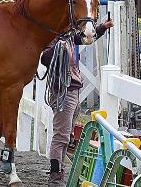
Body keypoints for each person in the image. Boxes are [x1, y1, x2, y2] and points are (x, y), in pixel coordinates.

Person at [41, 18, 114, 187]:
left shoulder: (67, 37)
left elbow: (87, 38)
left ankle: (59, 173)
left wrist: (102, 27)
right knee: (61, 136)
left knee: (66, 136)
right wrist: (59, 44)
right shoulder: (55, 38)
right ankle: (55, 178)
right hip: (63, 91)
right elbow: (45, 58)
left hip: (72, 89)